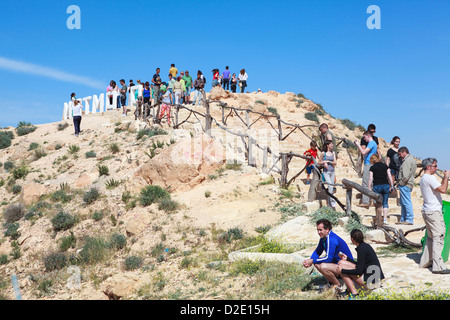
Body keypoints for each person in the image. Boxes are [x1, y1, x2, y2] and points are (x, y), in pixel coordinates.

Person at [302, 219, 354, 291]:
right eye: (317, 230)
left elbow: (328, 259)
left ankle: (338, 285)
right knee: (316, 264)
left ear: (327, 229)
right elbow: (318, 251)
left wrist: (312, 260)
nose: (318, 232)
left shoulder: (331, 239)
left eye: (320, 230)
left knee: (323, 266)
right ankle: (331, 283)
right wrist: (310, 261)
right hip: (337, 265)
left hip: (346, 268)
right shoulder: (324, 238)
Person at [419, 158, 450, 274]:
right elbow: (443, 189)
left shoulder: (423, 178)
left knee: (430, 238)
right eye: (435, 166)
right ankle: (438, 266)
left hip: (427, 211)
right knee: (438, 237)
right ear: (428, 167)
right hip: (434, 212)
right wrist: (446, 177)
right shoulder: (430, 178)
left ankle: (426, 262)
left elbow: (438, 188)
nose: (437, 168)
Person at [337, 229, 385, 297]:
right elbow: (360, 264)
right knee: (341, 262)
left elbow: (359, 271)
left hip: (372, 281)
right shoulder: (365, 246)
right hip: (375, 277)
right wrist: (347, 259)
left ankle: (353, 292)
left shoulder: (361, 250)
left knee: (341, 268)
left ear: (352, 239)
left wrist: (342, 271)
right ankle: (349, 290)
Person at [368, 154, 394, 225]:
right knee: (385, 203)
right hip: (385, 185)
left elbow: (370, 179)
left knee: (378, 203)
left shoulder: (372, 168)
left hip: (377, 186)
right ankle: (385, 219)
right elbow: (389, 176)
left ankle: (378, 219)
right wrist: (392, 185)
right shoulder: (385, 166)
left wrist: (369, 187)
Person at [355, 131, 378, 207]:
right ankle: (374, 201)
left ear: (368, 135)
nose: (364, 139)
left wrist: (358, 145)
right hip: (371, 164)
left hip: (368, 164)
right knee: (372, 183)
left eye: (364, 137)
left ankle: (366, 201)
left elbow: (364, 152)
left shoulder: (371, 143)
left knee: (365, 183)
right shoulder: (373, 143)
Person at [396, 146, 417, 225]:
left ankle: (409, 219)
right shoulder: (411, 160)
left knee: (406, 202)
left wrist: (400, 183)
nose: (399, 156)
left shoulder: (407, 161)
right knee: (403, 202)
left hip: (405, 184)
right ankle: (403, 219)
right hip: (408, 184)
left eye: (400, 154)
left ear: (404, 152)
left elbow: (405, 175)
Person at [319, 140, 337, 210]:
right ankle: (332, 203)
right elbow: (319, 162)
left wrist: (329, 162)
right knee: (330, 186)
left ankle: (330, 204)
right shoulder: (323, 153)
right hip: (326, 172)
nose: (332, 145)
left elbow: (335, 162)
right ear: (327, 145)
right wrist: (324, 162)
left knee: (331, 187)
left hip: (332, 171)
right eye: (331, 144)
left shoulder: (333, 153)